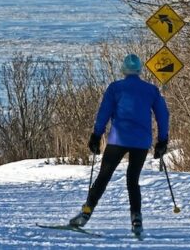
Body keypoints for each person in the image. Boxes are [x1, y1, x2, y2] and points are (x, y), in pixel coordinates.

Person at [69, 53, 169, 234]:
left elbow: (104, 113)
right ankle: (136, 219)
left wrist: (96, 135)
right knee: (133, 180)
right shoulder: (151, 90)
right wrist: (162, 140)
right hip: (141, 141)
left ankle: (85, 213)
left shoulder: (115, 88)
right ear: (139, 70)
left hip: (118, 139)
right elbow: (163, 115)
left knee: (103, 178)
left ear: (123, 70)